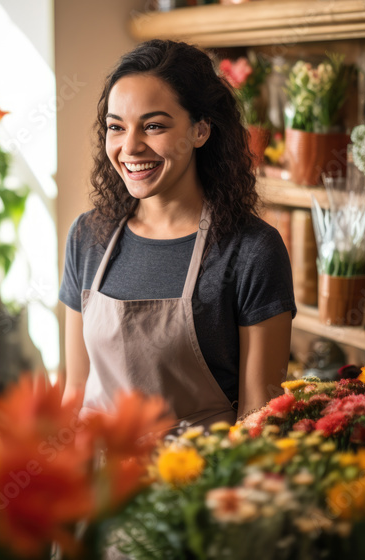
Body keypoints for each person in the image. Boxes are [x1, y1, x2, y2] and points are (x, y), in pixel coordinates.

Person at [60, 40, 296, 428]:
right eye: (116, 127)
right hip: (98, 480)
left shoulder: (252, 251)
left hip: (196, 482)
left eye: (153, 126)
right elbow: (75, 392)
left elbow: (259, 423)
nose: (130, 147)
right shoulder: (88, 237)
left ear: (201, 130)